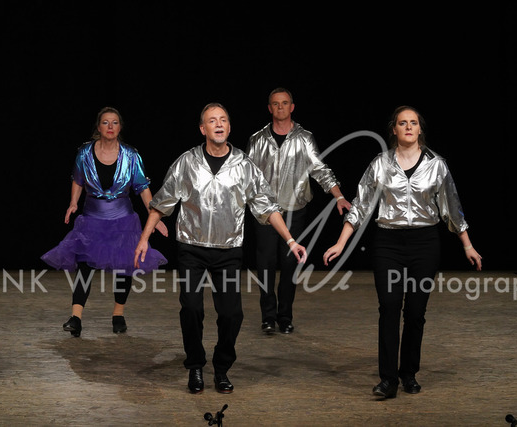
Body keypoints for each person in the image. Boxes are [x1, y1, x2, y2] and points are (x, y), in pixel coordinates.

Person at [134, 103, 307, 394]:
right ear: (203, 129)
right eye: (212, 120)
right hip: (191, 247)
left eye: (223, 119)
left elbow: (267, 206)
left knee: (231, 314)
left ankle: (222, 367)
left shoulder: (243, 165)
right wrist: (144, 238)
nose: (218, 124)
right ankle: (195, 366)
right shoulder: (187, 162)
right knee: (191, 309)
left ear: (229, 127)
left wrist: (290, 240)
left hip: (228, 251)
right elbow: (161, 203)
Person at [323, 106, 482, 399]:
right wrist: (341, 243)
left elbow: (452, 208)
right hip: (388, 243)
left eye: (413, 123)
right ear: (394, 130)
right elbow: (360, 205)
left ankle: (408, 373)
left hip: (424, 243)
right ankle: (388, 380)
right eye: (402, 123)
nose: (408, 127)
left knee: (415, 312)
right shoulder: (380, 163)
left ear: (420, 129)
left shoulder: (436, 165)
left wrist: (468, 245)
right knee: (389, 307)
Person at [42, 107, 168, 337]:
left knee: (124, 268)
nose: (110, 127)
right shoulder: (85, 153)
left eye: (115, 122)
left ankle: (118, 315)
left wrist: (154, 216)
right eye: (106, 122)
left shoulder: (131, 155)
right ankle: (76, 318)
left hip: (122, 220)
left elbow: (142, 187)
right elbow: (78, 180)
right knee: (84, 266)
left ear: (120, 127)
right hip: (92, 219)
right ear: (98, 127)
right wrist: (73, 203)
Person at [246, 88, 351, 335]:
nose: (280, 107)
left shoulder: (304, 138)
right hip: (265, 213)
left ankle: (285, 316)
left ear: (292, 107)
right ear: (269, 108)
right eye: (275, 103)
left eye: (285, 103)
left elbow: (320, 169)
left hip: (295, 211)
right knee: (265, 264)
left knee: (290, 264)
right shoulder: (257, 139)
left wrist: (339, 196)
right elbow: (246, 176)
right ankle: (268, 317)